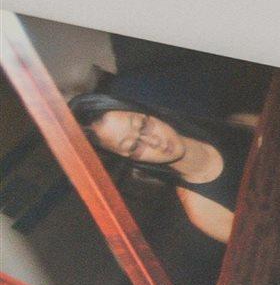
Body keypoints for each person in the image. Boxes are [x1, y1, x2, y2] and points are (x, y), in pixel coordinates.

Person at [71, 91, 249, 247]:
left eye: (143, 126)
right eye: (134, 146)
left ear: (148, 111)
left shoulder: (230, 121)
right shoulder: (205, 210)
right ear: (130, 160)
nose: (155, 142)